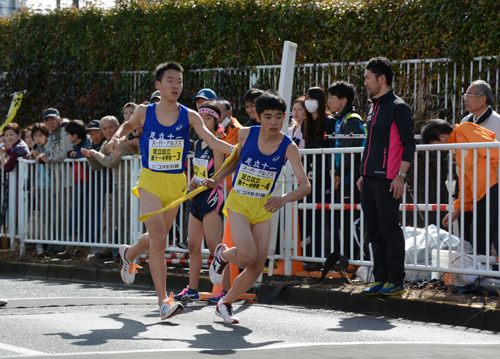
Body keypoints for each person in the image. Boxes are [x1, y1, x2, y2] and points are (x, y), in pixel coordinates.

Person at [107, 62, 232, 320]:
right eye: (170, 81)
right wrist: (116, 138)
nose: (176, 86)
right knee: (160, 237)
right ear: (158, 85)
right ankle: (164, 301)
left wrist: (240, 149)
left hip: (175, 183)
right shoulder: (144, 111)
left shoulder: (190, 115)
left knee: (157, 237)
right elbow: (127, 126)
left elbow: (212, 141)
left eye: (179, 81)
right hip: (151, 180)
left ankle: (128, 253)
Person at [205, 91, 311, 324]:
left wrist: (283, 198)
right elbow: (233, 161)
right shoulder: (245, 134)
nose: (273, 122)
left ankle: (225, 303)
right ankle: (222, 255)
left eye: (278, 117)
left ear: (284, 117)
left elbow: (305, 186)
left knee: (256, 267)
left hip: (264, 207)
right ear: (258, 117)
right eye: (267, 117)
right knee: (245, 257)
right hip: (239, 203)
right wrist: (216, 179)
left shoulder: (288, 146)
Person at [357, 57, 416, 296]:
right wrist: (363, 173)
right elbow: (369, 144)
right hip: (369, 179)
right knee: (374, 230)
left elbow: (409, 145)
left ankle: (396, 280)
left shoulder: (398, 107)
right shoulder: (373, 106)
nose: (365, 83)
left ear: (382, 79)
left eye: (368, 78)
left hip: (389, 179)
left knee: (390, 229)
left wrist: (400, 176)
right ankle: (380, 278)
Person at [421, 119, 499, 257]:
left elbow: (493, 149)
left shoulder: (464, 129)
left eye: (436, 146)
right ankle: (483, 273)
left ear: (442, 137)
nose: (439, 150)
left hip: (495, 185)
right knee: (477, 232)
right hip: (483, 193)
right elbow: (466, 185)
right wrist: (456, 210)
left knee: (495, 232)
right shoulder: (458, 151)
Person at [174, 102, 226, 301]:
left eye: (208, 118)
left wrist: (210, 182)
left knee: (216, 248)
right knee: (194, 246)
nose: (203, 122)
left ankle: (225, 290)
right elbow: (197, 171)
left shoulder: (217, 141)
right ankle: (193, 289)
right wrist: (193, 185)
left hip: (212, 195)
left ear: (215, 122)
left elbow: (220, 173)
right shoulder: (196, 144)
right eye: (201, 117)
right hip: (197, 195)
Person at [327, 81, 366, 258]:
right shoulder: (340, 119)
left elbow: (350, 154)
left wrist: (338, 175)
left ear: (343, 99)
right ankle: (349, 260)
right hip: (343, 178)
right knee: (342, 222)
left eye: (331, 98)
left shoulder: (352, 120)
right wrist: (332, 170)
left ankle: (357, 260)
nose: (328, 101)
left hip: (350, 180)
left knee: (351, 222)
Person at [301, 86, 335, 270]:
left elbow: (333, 149)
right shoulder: (305, 123)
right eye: (307, 98)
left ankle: (332, 257)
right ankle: (312, 256)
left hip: (327, 177)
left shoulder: (330, 122)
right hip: (310, 177)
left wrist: (333, 171)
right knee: (311, 216)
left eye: (312, 98)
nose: (309, 102)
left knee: (329, 216)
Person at [34, 108, 73, 251]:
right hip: (59, 180)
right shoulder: (51, 135)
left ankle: (64, 246)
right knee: (59, 214)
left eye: (52, 119)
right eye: (47, 120)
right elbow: (48, 152)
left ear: (59, 119)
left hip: (68, 179)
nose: (50, 122)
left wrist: (48, 159)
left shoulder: (64, 131)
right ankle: (58, 244)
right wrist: (40, 156)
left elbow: (65, 154)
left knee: (65, 213)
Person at [65, 120, 92, 244]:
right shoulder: (77, 146)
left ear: (75, 135)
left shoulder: (88, 143)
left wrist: (77, 154)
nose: (67, 137)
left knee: (86, 213)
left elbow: (90, 156)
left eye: (68, 134)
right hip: (80, 183)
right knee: (76, 212)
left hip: (89, 184)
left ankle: (85, 243)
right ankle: (75, 244)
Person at [0, 123, 30, 229]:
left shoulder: (19, 148)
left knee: (17, 209)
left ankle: (18, 235)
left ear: (19, 135)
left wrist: (1, 156)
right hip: (17, 182)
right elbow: (6, 152)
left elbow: (8, 167)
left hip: (21, 183)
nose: (8, 137)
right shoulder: (15, 146)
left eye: (11, 134)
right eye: (6, 135)